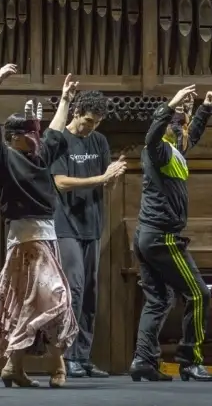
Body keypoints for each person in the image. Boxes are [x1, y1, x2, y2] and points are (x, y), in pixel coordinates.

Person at [0, 63, 80, 389]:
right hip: (25, 241)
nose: (37, 137)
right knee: (56, 299)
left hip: (45, 239)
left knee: (26, 304)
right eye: (30, 133)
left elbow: (56, 132)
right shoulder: (3, 159)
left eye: (36, 132)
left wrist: (63, 100)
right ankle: (57, 366)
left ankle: (13, 367)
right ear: (16, 138)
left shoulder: (40, 156)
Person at [129, 85, 212, 383]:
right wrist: (171, 105)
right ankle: (190, 362)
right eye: (180, 122)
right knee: (198, 294)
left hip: (147, 235)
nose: (186, 130)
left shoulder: (173, 151)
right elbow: (153, 133)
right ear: (170, 128)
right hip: (162, 237)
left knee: (158, 300)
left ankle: (143, 361)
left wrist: (205, 108)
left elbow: (191, 135)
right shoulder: (156, 151)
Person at [50, 90, 126, 378]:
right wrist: (101, 178)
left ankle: (82, 356)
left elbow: (107, 185)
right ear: (76, 112)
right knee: (75, 288)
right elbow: (60, 182)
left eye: (97, 123)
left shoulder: (99, 141)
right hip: (65, 223)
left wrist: (113, 179)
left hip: (93, 224)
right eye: (89, 121)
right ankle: (66, 356)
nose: (92, 127)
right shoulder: (59, 141)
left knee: (91, 292)